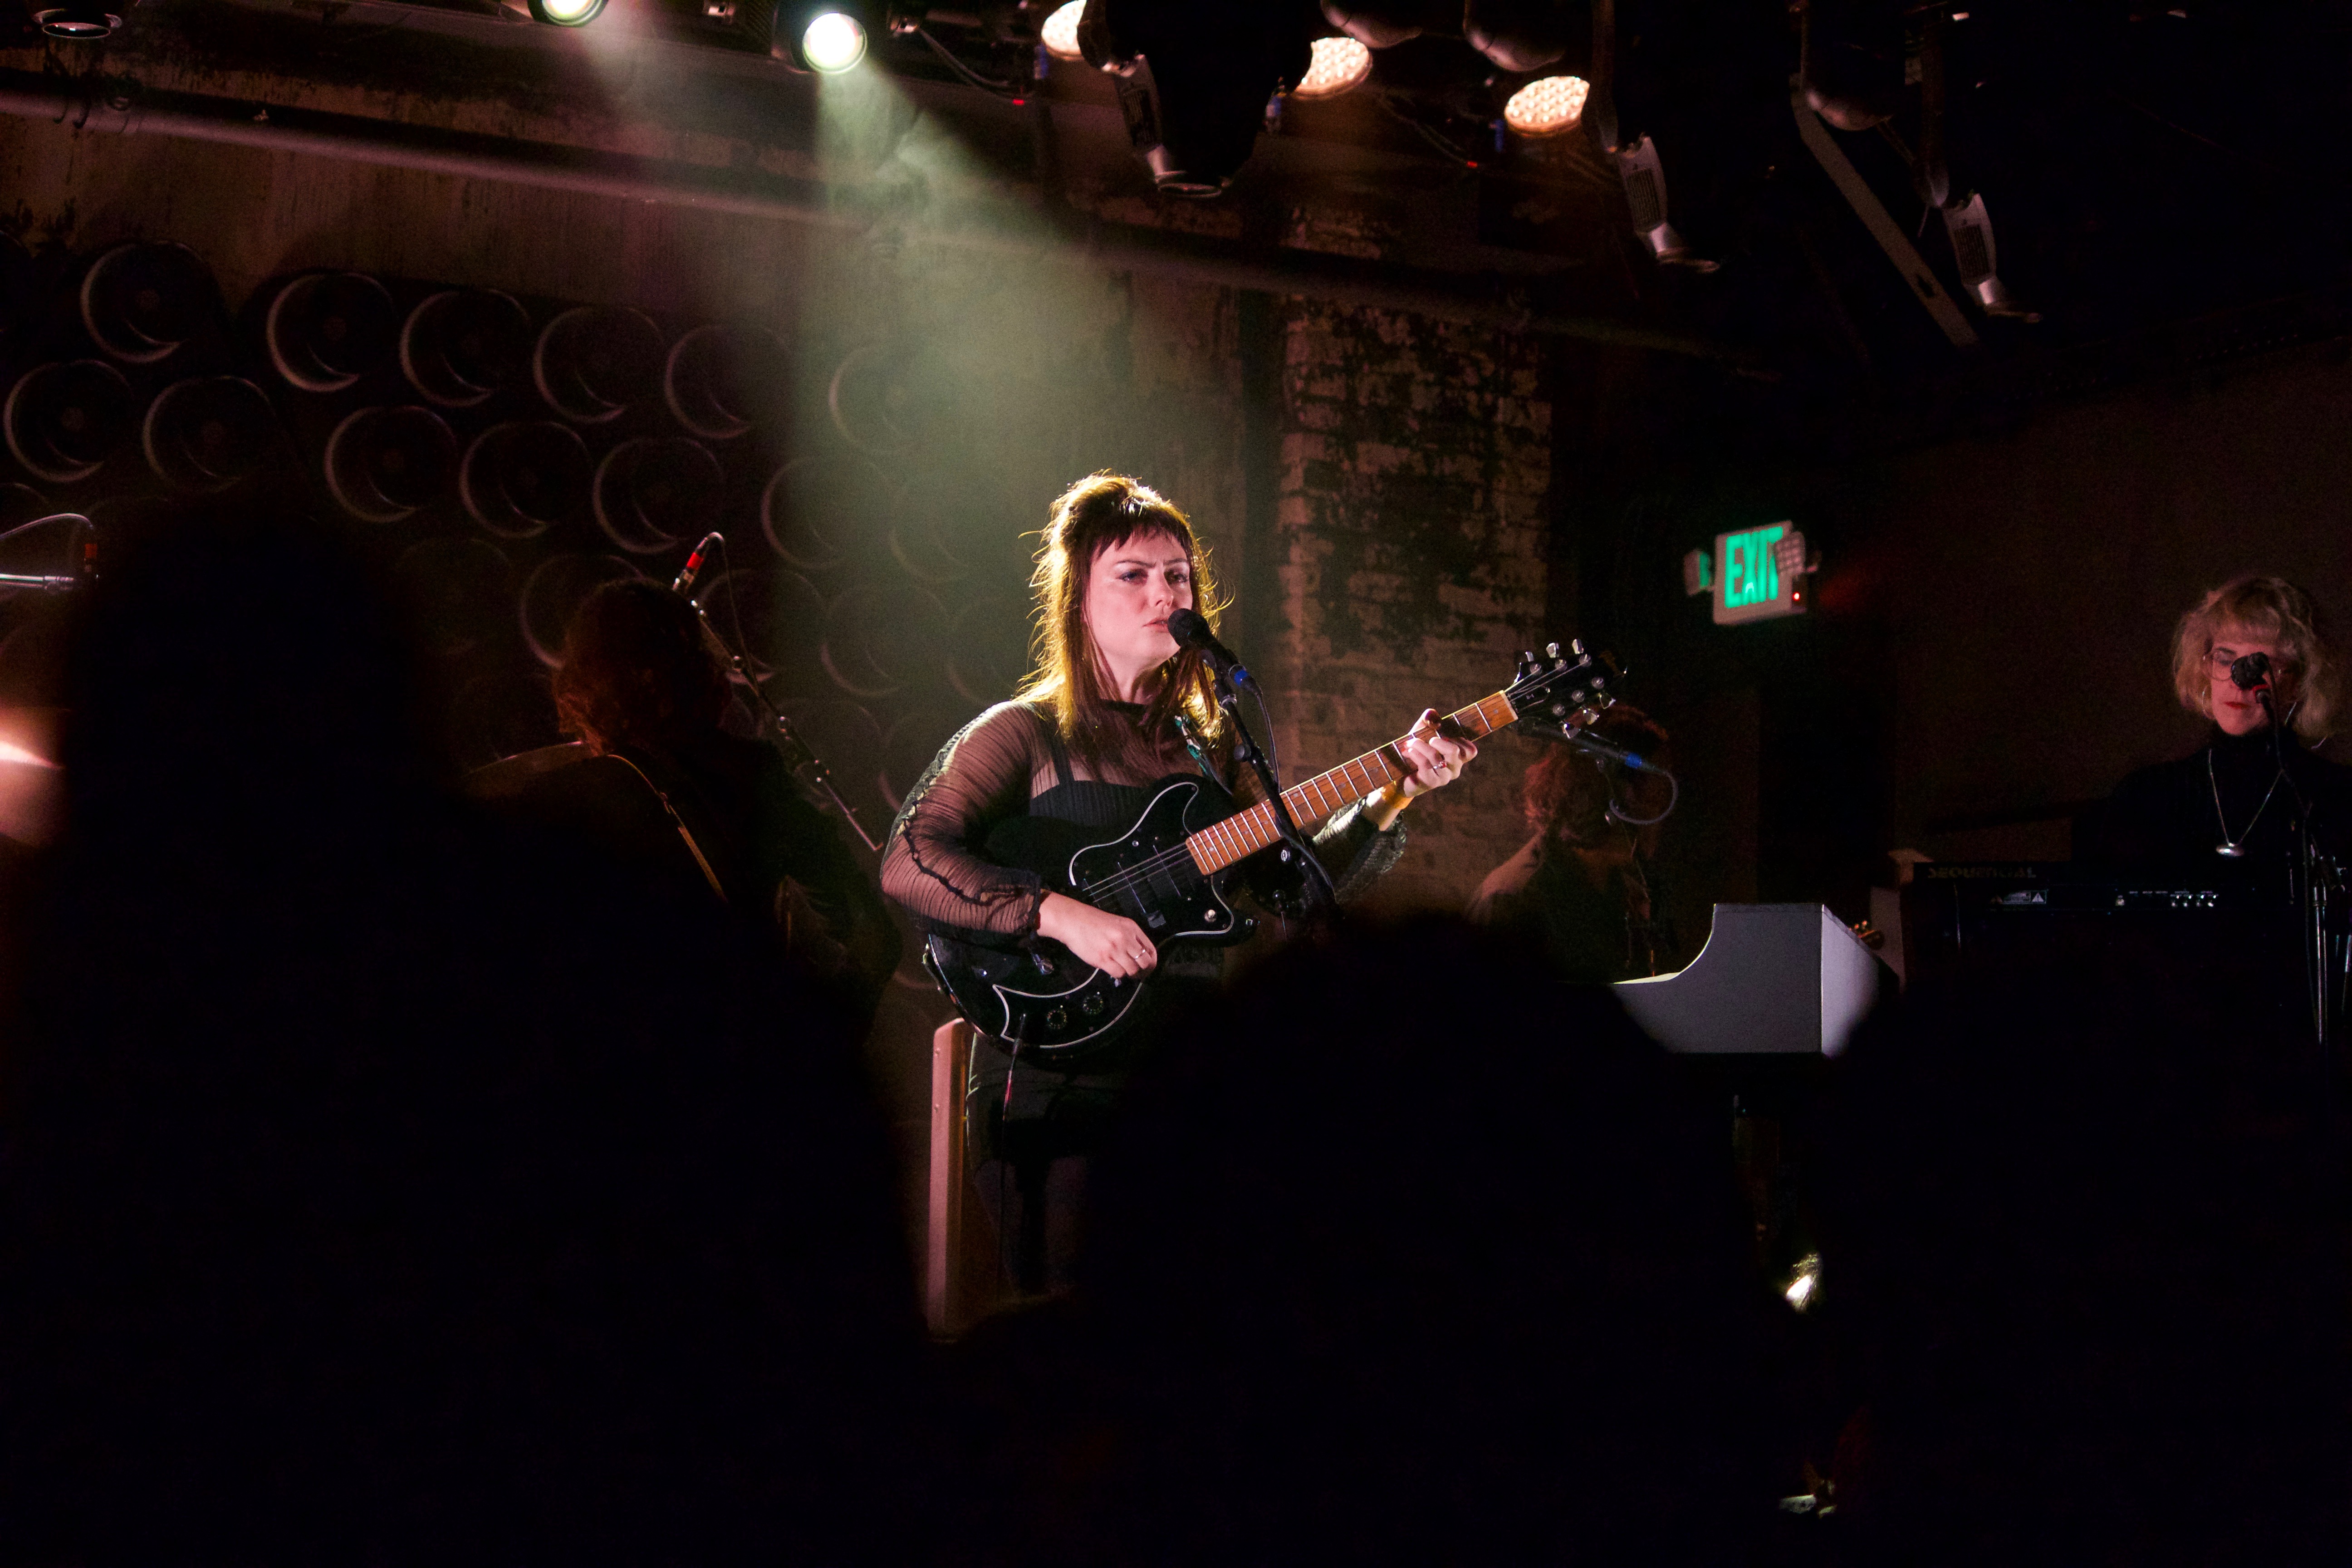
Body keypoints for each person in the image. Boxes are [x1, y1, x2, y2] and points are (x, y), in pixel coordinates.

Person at [881, 472, 1476, 1288]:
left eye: (1177, 575)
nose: (1163, 592)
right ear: (1077, 600)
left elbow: (1292, 893)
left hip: (1186, 1083)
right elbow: (910, 861)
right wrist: (1058, 914)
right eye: (1132, 574)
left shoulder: (1207, 750)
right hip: (1054, 1085)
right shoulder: (1022, 735)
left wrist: (1395, 788)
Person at [521, 578, 901, 1032]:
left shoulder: (561, 798)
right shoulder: (754, 775)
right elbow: (872, 937)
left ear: (584, 683)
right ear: (700, 670)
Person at [2075, 573, 2352, 873]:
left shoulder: (2337, 797)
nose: (2239, 682)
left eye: (2261, 666)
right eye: (2224, 659)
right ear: (2204, 665)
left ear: (2298, 682)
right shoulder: (2149, 797)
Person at [1466, 704, 1675, 983]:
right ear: (1622, 794)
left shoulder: (1625, 887)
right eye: (1659, 787)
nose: (1665, 806)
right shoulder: (1512, 901)